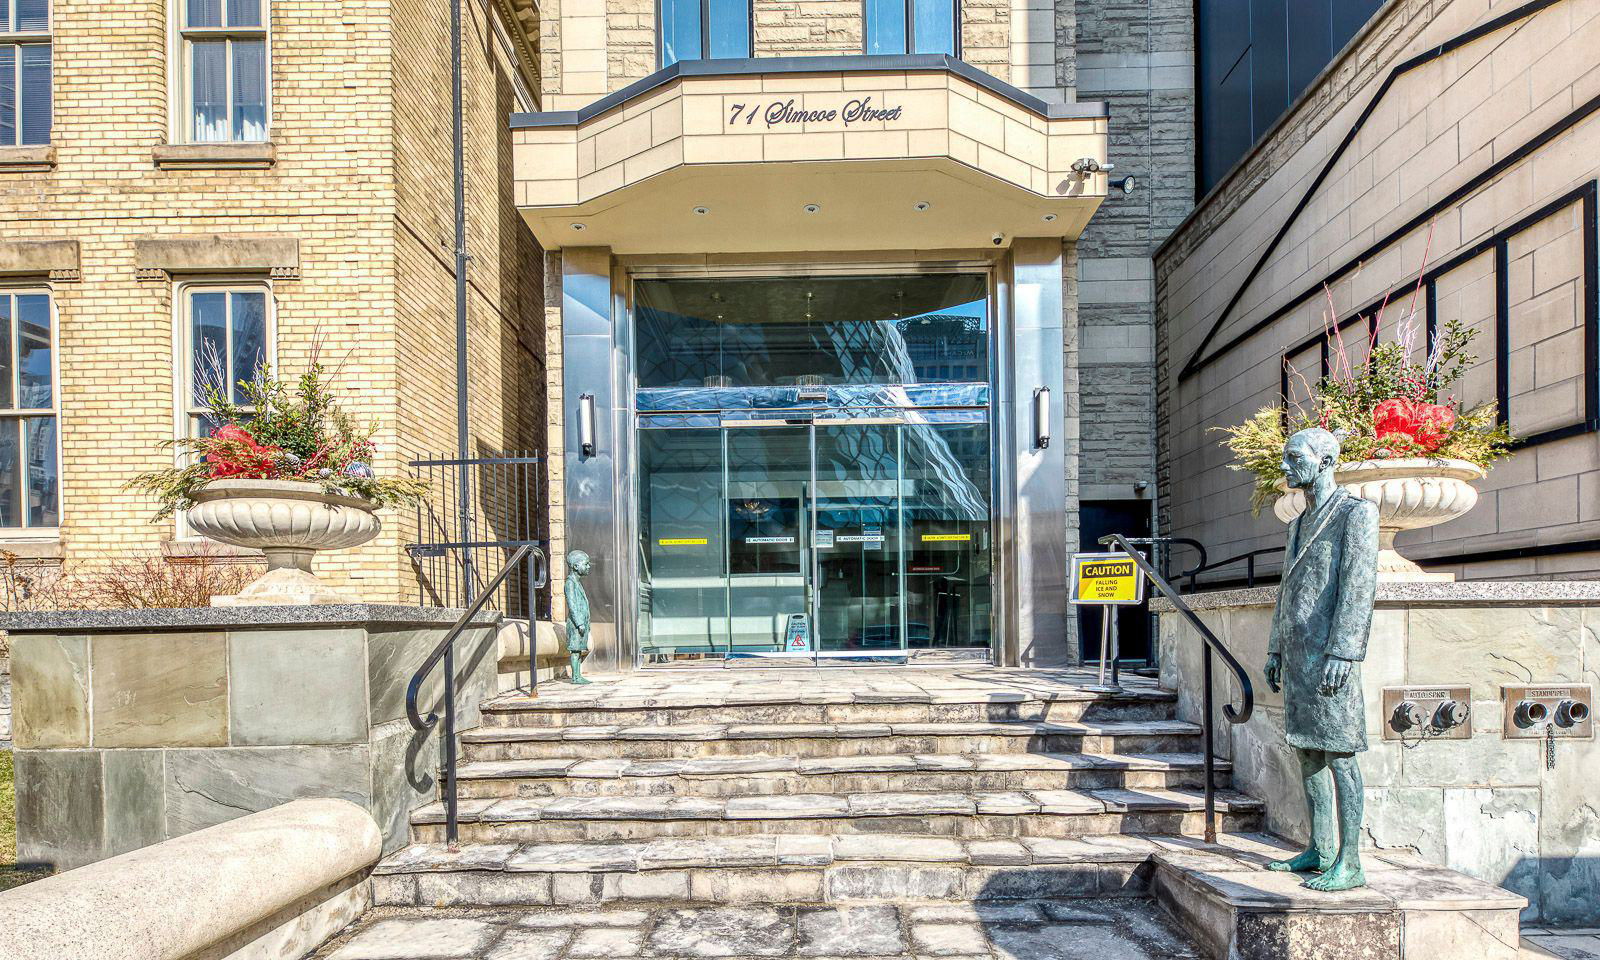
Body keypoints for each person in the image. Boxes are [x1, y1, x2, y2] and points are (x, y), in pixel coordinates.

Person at [1263, 427, 1378, 891]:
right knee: (1307, 750)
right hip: (1298, 655)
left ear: (1325, 460)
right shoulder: (1297, 523)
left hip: (1332, 657)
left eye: (1294, 458)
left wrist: (1344, 652)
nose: (1286, 466)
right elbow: (1288, 592)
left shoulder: (1355, 514)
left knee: (1341, 754)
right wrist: (1275, 647)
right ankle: (1321, 847)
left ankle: (1350, 861)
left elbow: (1359, 586)